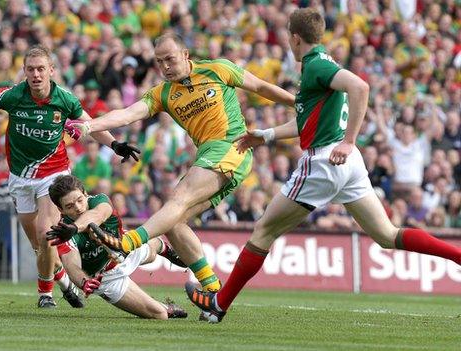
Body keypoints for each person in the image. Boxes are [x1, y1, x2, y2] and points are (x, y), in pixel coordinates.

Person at [185, 8, 461, 323]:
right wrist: (266, 136)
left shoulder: (314, 65)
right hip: (348, 165)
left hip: (326, 160)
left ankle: (218, 304)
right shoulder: (322, 63)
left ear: (294, 37)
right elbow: (306, 121)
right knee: (386, 234)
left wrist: (349, 140)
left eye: (288, 33)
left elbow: (361, 87)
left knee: (263, 231)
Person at [67, 33, 294, 292]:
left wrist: (298, 103)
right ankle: (212, 289)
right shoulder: (163, 93)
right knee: (173, 221)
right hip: (209, 156)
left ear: (185, 55)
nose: (165, 67)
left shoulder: (217, 69)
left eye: (170, 59)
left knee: (178, 198)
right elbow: (128, 114)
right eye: (159, 62)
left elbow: (262, 88)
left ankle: (128, 242)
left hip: (231, 146)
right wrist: (88, 126)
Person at [0, 45, 140, 309]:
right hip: (20, 179)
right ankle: (63, 283)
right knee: (41, 247)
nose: (36, 75)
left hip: (55, 176)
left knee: (46, 233)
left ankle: (45, 294)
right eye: (31, 69)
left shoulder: (65, 99)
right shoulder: (13, 96)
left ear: (51, 70)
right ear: (24, 72)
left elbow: (91, 125)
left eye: (41, 69)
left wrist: (115, 145)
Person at [45, 174, 187, 319]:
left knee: (152, 251)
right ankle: (165, 307)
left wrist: (75, 227)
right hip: (107, 277)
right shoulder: (62, 234)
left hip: (123, 247)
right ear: (60, 209)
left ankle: (165, 249)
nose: (78, 208)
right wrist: (84, 282)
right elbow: (71, 265)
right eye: (69, 206)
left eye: (80, 200)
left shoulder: (99, 200)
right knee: (160, 315)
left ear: (85, 194)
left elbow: (99, 214)